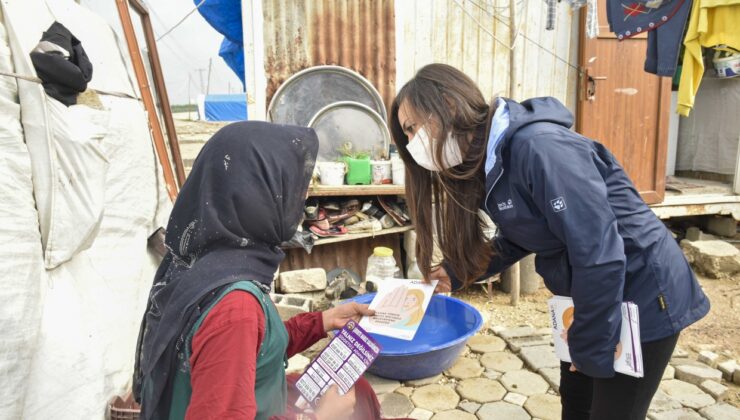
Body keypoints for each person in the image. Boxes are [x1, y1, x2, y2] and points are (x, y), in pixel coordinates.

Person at [389, 63, 710, 420]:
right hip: (589, 298)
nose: (410, 142)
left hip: (642, 294)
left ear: (448, 105)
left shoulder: (539, 148)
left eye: (412, 127)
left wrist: (589, 349)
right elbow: (517, 236)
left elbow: (599, 252)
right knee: (575, 402)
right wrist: (456, 271)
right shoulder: (488, 163)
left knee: (611, 411)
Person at [132, 121, 382, 420]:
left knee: (360, 393)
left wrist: (322, 321)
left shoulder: (197, 261)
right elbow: (235, 337)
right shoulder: (235, 308)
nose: (302, 201)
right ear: (258, 197)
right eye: (292, 188)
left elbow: (252, 348)